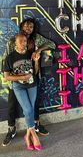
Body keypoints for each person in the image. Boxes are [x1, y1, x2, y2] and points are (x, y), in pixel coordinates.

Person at [2, 18, 56, 146]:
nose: (28, 29)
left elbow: (52, 45)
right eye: (26, 26)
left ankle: (35, 125)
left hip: (33, 78)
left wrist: (38, 50)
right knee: (11, 104)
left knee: (34, 104)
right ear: (21, 27)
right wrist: (13, 78)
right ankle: (11, 129)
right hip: (15, 80)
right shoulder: (13, 40)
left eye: (31, 27)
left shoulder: (36, 38)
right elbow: (7, 60)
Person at [4, 33, 42, 150]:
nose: (22, 43)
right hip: (18, 87)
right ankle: (34, 135)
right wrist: (21, 78)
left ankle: (28, 134)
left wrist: (36, 61)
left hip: (32, 85)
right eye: (20, 41)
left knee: (29, 110)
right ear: (15, 42)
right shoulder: (10, 58)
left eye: (24, 41)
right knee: (28, 109)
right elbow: (6, 77)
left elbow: (35, 72)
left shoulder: (31, 54)